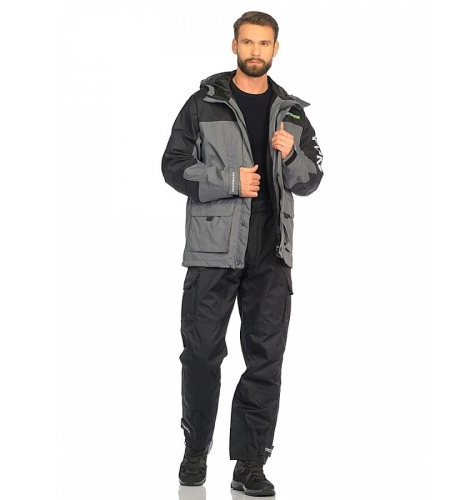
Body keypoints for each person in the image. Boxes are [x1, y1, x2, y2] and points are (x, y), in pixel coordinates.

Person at [162, 11, 323, 497]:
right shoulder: (203, 104)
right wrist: (229, 181)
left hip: (271, 252)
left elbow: (312, 179)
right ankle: (196, 448)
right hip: (213, 249)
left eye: (264, 43)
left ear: (275, 49)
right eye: (248, 42)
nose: (256, 51)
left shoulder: (292, 114)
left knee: (265, 360)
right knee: (201, 354)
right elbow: (173, 166)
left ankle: (250, 464)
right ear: (234, 45)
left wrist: (290, 154)